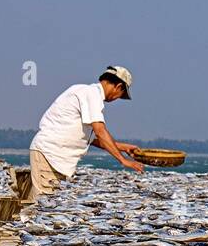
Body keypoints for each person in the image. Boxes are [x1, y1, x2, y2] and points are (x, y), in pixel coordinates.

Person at [27, 66, 144, 198]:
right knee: (42, 205)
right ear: (118, 87)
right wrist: (123, 160)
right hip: (49, 153)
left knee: (46, 203)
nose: (117, 98)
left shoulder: (87, 93)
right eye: (121, 95)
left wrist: (123, 148)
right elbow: (100, 131)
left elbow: (91, 139)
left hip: (54, 157)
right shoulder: (92, 94)